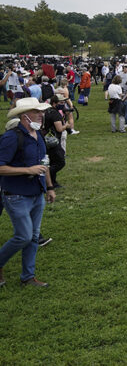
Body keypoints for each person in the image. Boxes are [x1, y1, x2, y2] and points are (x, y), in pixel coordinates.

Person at [0, 97, 56, 287]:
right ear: (25, 116)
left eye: (41, 111)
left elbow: (44, 163)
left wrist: (49, 187)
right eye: (37, 112)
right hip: (16, 195)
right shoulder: (11, 137)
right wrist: (27, 170)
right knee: (23, 236)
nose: (41, 115)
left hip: (36, 193)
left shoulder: (38, 135)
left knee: (33, 237)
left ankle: (28, 277)